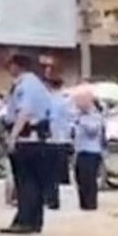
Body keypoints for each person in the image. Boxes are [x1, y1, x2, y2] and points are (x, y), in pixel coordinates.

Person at [1, 54, 54, 234]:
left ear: (17, 66)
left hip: (27, 138)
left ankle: (25, 220)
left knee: (26, 182)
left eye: (10, 66)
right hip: (36, 138)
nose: (9, 70)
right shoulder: (37, 84)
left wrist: (13, 136)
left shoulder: (26, 85)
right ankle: (34, 221)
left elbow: (25, 110)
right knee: (34, 182)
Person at [71, 89, 105, 211]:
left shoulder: (95, 115)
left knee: (89, 179)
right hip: (80, 151)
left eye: (79, 102)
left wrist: (82, 121)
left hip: (92, 152)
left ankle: (91, 204)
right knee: (79, 178)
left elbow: (93, 131)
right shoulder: (79, 115)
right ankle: (83, 204)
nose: (77, 105)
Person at [45, 77, 74, 210]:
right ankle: (57, 200)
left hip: (50, 140)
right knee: (60, 171)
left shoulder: (48, 100)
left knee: (49, 172)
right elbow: (72, 121)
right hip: (63, 140)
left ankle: (51, 199)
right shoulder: (67, 101)